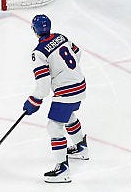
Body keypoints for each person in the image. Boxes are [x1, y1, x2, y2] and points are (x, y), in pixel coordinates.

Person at [23, 14, 88, 184]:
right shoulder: (61, 37)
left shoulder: (39, 52)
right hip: (80, 84)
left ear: (34, 30)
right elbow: (77, 52)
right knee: (69, 116)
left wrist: (33, 101)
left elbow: (43, 86)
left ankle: (62, 170)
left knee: (54, 127)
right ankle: (81, 147)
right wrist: (67, 72)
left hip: (66, 91)